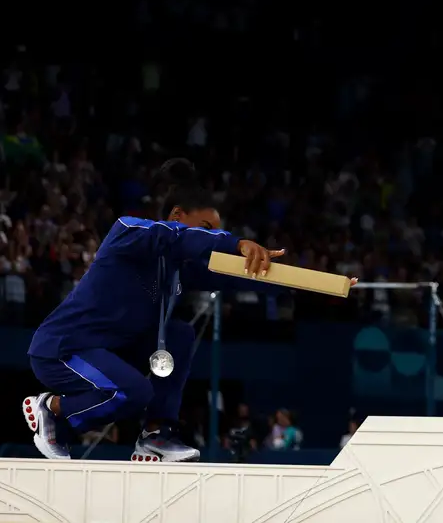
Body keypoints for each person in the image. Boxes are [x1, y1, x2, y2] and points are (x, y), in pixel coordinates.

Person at [22, 159, 335, 462]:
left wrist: (304, 282)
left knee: (180, 334)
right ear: (176, 214)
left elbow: (234, 277)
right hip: (62, 348)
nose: (211, 237)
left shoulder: (177, 268)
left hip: (110, 351)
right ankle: (53, 410)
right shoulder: (128, 231)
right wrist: (235, 242)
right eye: (206, 228)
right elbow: (178, 237)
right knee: (135, 392)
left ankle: (156, 434)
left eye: (216, 231)